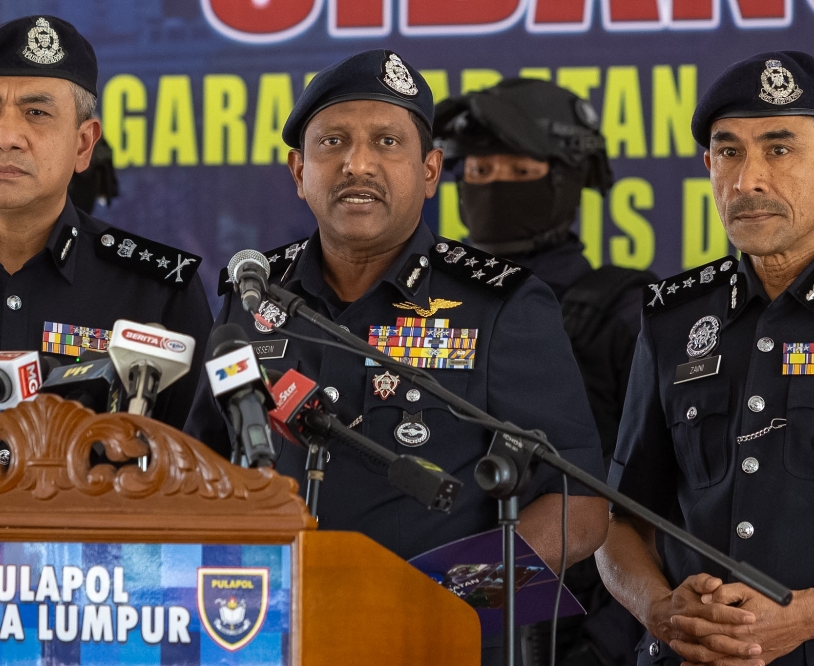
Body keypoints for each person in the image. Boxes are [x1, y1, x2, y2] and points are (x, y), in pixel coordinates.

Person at [191, 49, 609, 662]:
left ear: (430, 171)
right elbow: (198, 466)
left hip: (429, 643)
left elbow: (581, 509)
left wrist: (442, 602)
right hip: (263, 636)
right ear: (299, 170)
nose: (358, 164)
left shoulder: (500, 304)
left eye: (387, 142)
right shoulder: (252, 296)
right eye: (332, 142)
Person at [597, 51, 814, 666]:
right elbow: (621, 521)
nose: (746, 182)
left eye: (779, 149)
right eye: (728, 153)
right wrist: (660, 610)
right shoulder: (673, 318)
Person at [0, 16, 215, 431]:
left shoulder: (157, 294)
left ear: (83, 144)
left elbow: (199, 459)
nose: (5, 136)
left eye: (36, 112)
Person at [433, 77, 651, 666]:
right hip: (437, 616)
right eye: (478, 171)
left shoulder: (625, 314)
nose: (495, 185)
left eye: (520, 171)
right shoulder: (421, 311)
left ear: (570, 176)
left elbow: (663, 504)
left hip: (574, 630)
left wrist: (608, 645)